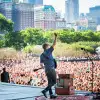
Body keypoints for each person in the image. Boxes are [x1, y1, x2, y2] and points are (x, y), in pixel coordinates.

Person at [40, 33, 57, 99]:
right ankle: (45, 91)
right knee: (54, 82)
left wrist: (43, 67)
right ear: (47, 47)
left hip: (46, 70)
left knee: (50, 82)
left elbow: (41, 64)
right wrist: (55, 37)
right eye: (48, 46)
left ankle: (51, 94)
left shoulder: (41, 55)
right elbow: (54, 44)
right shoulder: (49, 51)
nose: (49, 47)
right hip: (51, 69)